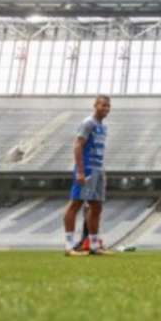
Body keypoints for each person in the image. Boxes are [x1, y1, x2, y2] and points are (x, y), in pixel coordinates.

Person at [62, 95, 112, 256]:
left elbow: (99, 150)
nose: (106, 108)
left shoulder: (103, 127)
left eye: (108, 106)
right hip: (87, 168)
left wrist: (102, 171)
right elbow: (78, 145)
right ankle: (69, 246)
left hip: (98, 169)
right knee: (75, 203)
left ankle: (94, 245)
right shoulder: (88, 123)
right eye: (103, 105)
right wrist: (80, 171)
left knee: (97, 206)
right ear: (95, 105)